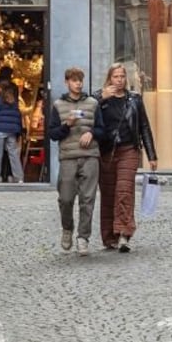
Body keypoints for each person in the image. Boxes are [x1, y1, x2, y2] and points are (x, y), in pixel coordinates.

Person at [94, 63, 159, 253]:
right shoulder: (100, 97)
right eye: (115, 76)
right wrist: (100, 98)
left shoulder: (134, 100)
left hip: (128, 149)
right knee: (108, 194)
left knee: (124, 190)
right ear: (109, 78)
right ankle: (109, 237)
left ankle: (123, 233)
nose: (119, 80)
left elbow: (144, 127)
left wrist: (151, 155)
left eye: (122, 76)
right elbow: (86, 110)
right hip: (106, 152)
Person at [46, 68, 102, 253]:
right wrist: (66, 125)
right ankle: (67, 228)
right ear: (67, 82)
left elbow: (103, 130)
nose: (78, 83)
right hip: (68, 157)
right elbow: (53, 134)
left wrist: (92, 133)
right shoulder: (58, 105)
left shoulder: (93, 103)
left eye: (80, 80)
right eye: (74, 80)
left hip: (90, 156)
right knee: (66, 198)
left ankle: (83, 237)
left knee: (88, 198)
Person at [0, 80, 24, 184]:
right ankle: (18, 177)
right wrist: (18, 131)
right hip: (11, 131)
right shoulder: (14, 100)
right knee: (13, 154)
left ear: (1, 88)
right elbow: (18, 116)